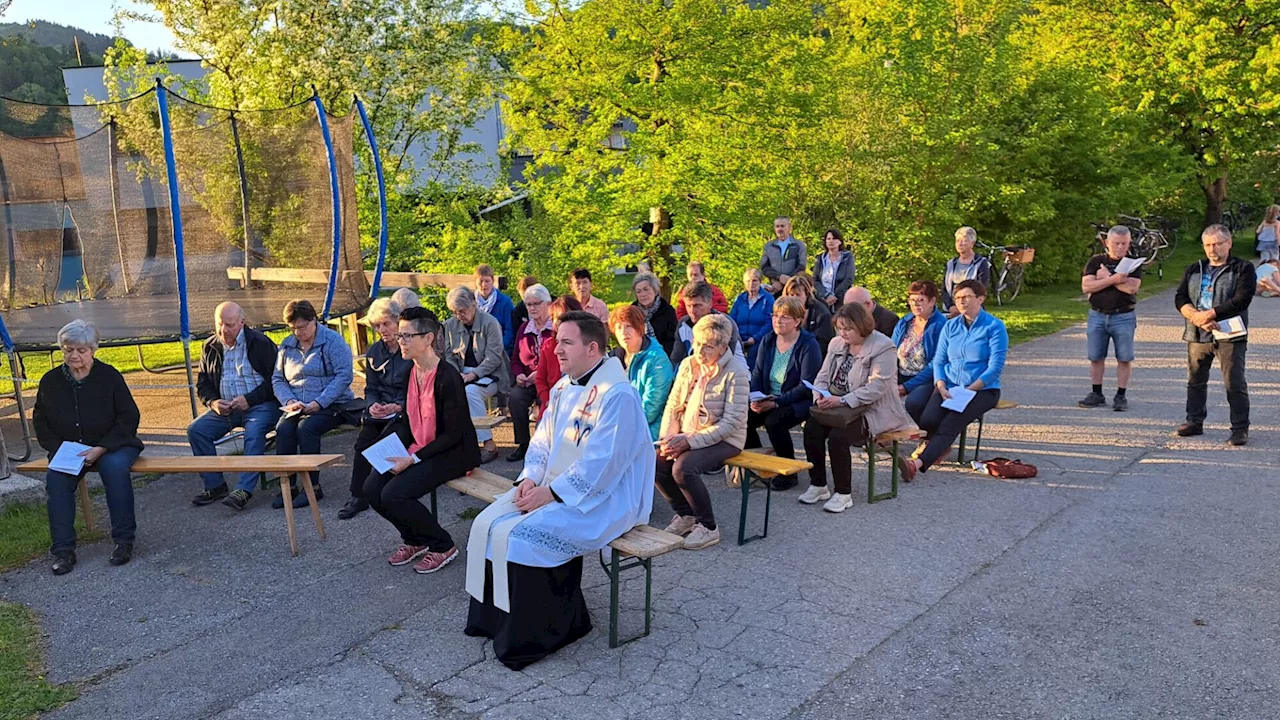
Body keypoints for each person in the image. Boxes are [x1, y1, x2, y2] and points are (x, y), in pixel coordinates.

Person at [464, 311, 654, 670]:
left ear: (593, 348)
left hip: (605, 498)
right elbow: (542, 443)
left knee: (522, 535)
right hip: (555, 487)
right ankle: (493, 623)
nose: (557, 349)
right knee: (486, 524)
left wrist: (550, 494)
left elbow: (603, 465)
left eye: (567, 342)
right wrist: (531, 480)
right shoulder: (565, 387)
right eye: (557, 341)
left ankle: (551, 630)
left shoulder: (618, 397)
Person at [364, 307, 480, 575]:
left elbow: (453, 434)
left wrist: (412, 459)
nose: (399, 341)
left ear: (428, 339)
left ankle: (443, 545)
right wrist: (385, 448)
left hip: (454, 452)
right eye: (400, 335)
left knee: (395, 494)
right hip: (422, 447)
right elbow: (407, 419)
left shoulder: (448, 377)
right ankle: (415, 539)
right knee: (371, 488)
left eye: (406, 336)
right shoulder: (411, 372)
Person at [34, 319, 144, 574]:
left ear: (93, 350)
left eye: (81, 350)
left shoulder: (109, 376)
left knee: (115, 470)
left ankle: (123, 541)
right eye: (68, 349)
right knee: (56, 480)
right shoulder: (50, 381)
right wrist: (60, 449)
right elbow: (41, 422)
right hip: (70, 449)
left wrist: (101, 448)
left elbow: (128, 418)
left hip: (113, 444)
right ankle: (63, 551)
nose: (74, 355)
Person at [803, 303, 914, 511]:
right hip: (838, 405)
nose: (843, 333)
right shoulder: (836, 343)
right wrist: (818, 394)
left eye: (848, 329)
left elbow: (877, 387)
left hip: (874, 409)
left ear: (862, 326)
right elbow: (822, 376)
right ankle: (818, 484)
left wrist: (842, 400)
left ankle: (843, 493)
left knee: (838, 437)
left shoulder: (884, 346)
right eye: (840, 328)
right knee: (811, 428)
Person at [898, 280, 1008, 481]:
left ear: (981, 299)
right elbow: (939, 361)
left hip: (982, 389)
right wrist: (940, 384)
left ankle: (916, 464)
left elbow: (995, 368)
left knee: (950, 423)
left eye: (967, 297)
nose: (961, 301)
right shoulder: (951, 326)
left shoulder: (994, 326)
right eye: (958, 298)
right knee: (929, 419)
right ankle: (940, 445)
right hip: (948, 386)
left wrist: (970, 389)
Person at [656, 314, 749, 549]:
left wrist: (690, 441)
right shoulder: (688, 365)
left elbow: (732, 422)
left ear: (723, 347)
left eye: (707, 346)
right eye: (697, 343)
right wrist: (668, 438)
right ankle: (686, 515)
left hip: (725, 438)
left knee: (683, 468)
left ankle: (708, 526)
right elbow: (673, 405)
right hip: (687, 433)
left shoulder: (736, 372)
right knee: (656, 462)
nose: (699, 350)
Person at [187, 301, 281, 511]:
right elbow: (203, 384)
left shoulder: (260, 343)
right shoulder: (210, 346)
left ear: (242, 322)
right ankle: (215, 485)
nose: (224, 330)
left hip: (261, 406)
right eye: (219, 324)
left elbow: (277, 381)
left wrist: (250, 399)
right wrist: (213, 403)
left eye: (229, 325)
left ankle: (243, 490)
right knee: (196, 430)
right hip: (226, 408)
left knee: (254, 430)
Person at [1173, 224, 1256, 445]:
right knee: (1195, 380)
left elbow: (1242, 299)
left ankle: (1239, 428)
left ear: (1229, 243)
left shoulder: (1243, 268)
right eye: (1208, 244)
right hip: (1197, 332)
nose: (1213, 249)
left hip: (1229, 333)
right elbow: (1180, 297)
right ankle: (1194, 421)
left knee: (1234, 382)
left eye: (1218, 244)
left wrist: (1210, 315)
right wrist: (1194, 316)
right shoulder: (1194, 269)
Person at [272, 299, 356, 509]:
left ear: (314, 321)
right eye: (293, 328)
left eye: (302, 327)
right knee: (283, 429)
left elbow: (344, 376)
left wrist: (319, 402)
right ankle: (288, 485)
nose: (298, 332)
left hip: (332, 404)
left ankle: (312, 487)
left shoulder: (333, 341)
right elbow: (278, 378)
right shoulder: (286, 345)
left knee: (306, 428)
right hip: (296, 404)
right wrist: (289, 401)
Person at [339, 295, 415, 520]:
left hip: (407, 413)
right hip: (382, 412)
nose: (382, 329)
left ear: (397, 322)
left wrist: (399, 406)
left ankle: (387, 491)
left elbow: (420, 390)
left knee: (387, 441)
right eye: (377, 325)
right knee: (363, 442)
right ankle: (358, 496)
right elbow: (370, 387)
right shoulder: (374, 351)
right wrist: (373, 405)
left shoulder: (410, 349)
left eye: (386, 323)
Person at [746, 296, 821, 491]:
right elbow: (757, 372)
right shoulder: (768, 340)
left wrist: (777, 402)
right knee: (743, 418)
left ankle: (789, 472)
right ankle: (760, 463)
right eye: (775, 315)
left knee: (774, 422)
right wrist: (755, 397)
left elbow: (807, 385)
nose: (778, 320)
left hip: (799, 401)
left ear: (797, 321)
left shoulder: (808, 344)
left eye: (785, 316)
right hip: (768, 397)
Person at [442, 285, 511, 464]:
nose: (459, 316)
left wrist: (472, 376)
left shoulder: (490, 323)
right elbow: (448, 354)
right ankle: (454, 442)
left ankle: (489, 444)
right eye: (455, 312)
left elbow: (494, 358)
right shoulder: (450, 325)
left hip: (492, 374)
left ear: (474, 304)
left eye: (462, 311)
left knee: (471, 392)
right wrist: (455, 374)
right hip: (461, 372)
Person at [1079, 226, 1143, 412]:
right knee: (1095, 356)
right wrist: (1116, 279)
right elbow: (1086, 286)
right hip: (1097, 315)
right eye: (1116, 243)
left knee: (1124, 357)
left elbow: (1132, 288)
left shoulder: (1133, 263)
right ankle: (1096, 393)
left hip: (1123, 315)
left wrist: (1105, 278)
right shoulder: (1096, 261)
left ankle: (1121, 395)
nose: (1120, 247)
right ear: (1107, 243)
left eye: (1124, 243)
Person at [610, 304, 676, 440]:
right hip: (622, 425)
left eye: (628, 326)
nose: (623, 332)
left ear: (640, 328)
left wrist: (621, 430)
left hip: (649, 429)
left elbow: (650, 408)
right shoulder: (613, 359)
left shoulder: (657, 359)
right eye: (619, 327)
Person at [508, 283, 555, 462]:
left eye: (537, 303)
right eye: (529, 305)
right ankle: (523, 445)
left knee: (547, 400)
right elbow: (515, 358)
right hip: (528, 380)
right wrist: (518, 374)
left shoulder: (555, 328)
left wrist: (541, 374)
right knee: (515, 397)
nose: (532, 308)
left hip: (550, 380)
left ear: (548, 304)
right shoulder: (524, 329)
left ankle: (543, 445)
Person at [891, 280, 946, 424]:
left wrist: (906, 387)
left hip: (927, 378)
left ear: (932, 301)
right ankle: (883, 436)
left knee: (914, 403)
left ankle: (930, 438)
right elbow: (890, 350)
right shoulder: (905, 322)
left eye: (921, 300)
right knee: (872, 392)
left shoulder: (941, 325)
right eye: (912, 300)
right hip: (901, 374)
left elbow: (936, 362)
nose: (915, 304)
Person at [673, 281, 747, 367]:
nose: (692, 311)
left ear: (710, 304)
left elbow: (725, 359)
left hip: (733, 373)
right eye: (688, 306)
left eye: (697, 305)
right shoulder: (683, 325)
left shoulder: (725, 324)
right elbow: (676, 359)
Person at [534, 295, 583, 409]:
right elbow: (540, 379)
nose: (559, 323)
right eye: (555, 318)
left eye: (566, 319)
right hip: (552, 405)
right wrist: (547, 401)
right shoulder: (548, 345)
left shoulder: (586, 345)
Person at [941, 226, 993, 316]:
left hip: (973, 310)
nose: (960, 244)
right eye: (957, 241)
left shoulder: (981, 263)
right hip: (950, 310)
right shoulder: (950, 264)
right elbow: (944, 289)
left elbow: (981, 289)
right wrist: (951, 307)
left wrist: (963, 307)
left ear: (972, 243)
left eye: (964, 241)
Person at [729, 268, 774, 368]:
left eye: (754, 280)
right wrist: (736, 337)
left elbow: (770, 322)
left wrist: (755, 338)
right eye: (748, 281)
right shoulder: (740, 298)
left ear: (760, 282)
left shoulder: (768, 299)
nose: (751, 283)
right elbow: (731, 319)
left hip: (759, 341)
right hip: (739, 340)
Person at [783, 274, 836, 352]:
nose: (794, 299)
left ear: (806, 294)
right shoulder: (782, 312)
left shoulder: (821, 313)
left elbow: (824, 342)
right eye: (791, 295)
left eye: (798, 295)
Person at [631, 272, 678, 354]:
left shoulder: (667, 311)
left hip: (663, 355)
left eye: (646, 289)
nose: (643, 294)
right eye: (639, 291)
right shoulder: (632, 312)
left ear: (655, 291)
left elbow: (672, 340)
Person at [475, 264, 516, 354]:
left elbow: (509, 330)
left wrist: (497, 347)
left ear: (493, 281)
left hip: (499, 348)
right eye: (480, 281)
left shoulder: (505, 302)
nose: (484, 285)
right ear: (475, 282)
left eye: (487, 281)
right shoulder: (471, 302)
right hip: (476, 349)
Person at [760, 216, 807, 295]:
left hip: (793, 289)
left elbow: (801, 267)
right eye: (777, 226)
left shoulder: (799, 245)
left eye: (782, 226)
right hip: (774, 288)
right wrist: (779, 277)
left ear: (789, 227)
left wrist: (787, 281)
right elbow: (764, 268)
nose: (779, 229)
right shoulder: (768, 246)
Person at [812, 228, 855, 310]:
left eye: (834, 238)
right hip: (822, 299)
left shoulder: (847, 257)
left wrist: (834, 296)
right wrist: (826, 295)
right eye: (828, 239)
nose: (831, 241)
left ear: (840, 241)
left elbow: (848, 279)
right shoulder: (820, 258)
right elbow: (815, 279)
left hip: (840, 299)